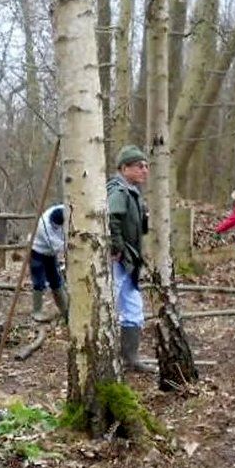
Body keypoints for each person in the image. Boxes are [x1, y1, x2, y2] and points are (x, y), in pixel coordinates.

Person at [107, 144, 153, 372]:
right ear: (124, 168)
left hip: (130, 259)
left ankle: (130, 357)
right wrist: (116, 247)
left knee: (133, 305)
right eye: (139, 166)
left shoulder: (133, 192)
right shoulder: (119, 190)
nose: (145, 170)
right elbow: (112, 219)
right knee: (110, 302)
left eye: (146, 166)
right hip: (118, 259)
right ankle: (106, 355)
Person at [30, 204, 69, 323]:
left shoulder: (66, 210)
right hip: (37, 250)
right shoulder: (44, 225)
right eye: (55, 226)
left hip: (51, 254)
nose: (56, 228)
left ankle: (65, 310)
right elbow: (57, 246)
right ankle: (37, 311)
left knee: (56, 281)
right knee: (39, 281)